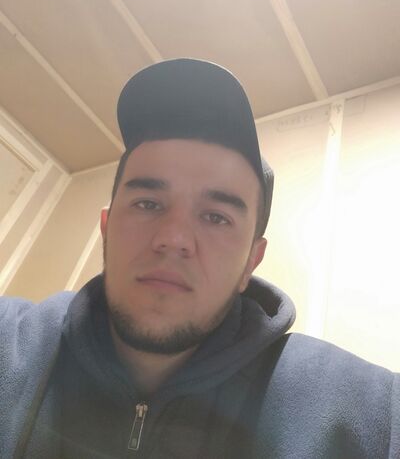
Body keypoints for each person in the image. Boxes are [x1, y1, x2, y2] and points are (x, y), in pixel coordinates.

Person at [0, 59, 398, 459]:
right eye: (148, 203)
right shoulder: (11, 343)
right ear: (106, 228)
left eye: (216, 217)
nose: (173, 239)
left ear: (251, 262)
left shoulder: (370, 413)